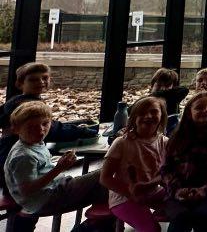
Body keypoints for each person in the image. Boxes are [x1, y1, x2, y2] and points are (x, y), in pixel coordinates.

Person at [3, 101, 110, 232]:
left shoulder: (33, 143)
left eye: (45, 124)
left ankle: (98, 224)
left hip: (51, 190)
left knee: (104, 189)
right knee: (104, 174)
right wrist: (59, 168)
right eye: (31, 127)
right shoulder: (23, 156)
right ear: (16, 129)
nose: (40, 130)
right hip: (44, 200)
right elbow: (26, 190)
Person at [0, 62, 98, 188]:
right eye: (33, 80)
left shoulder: (15, 101)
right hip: (18, 172)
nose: (41, 82)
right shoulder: (27, 105)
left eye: (45, 78)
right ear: (20, 84)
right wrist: (87, 131)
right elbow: (54, 130)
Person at [160, 91, 207, 232]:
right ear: (189, 112)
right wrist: (176, 190)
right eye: (199, 107)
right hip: (176, 190)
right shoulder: (177, 137)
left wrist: (202, 191)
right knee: (180, 218)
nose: (206, 110)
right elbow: (166, 168)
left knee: (200, 216)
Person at [100, 96, 168, 232]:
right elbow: (105, 178)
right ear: (134, 118)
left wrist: (150, 185)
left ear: (162, 116)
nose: (148, 116)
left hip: (152, 191)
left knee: (185, 210)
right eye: (142, 113)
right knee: (152, 229)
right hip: (123, 197)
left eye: (154, 112)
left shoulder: (164, 142)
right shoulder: (121, 143)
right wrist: (130, 193)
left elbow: (167, 172)